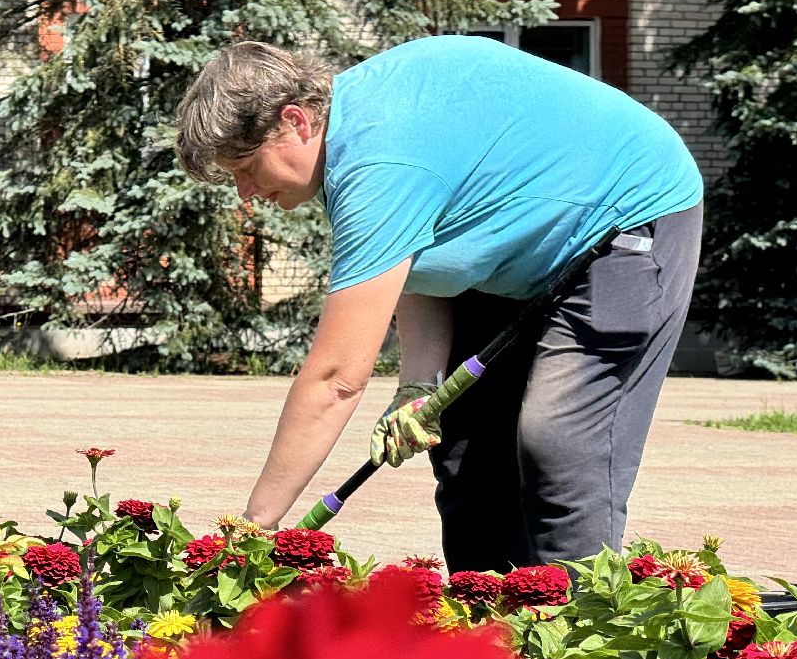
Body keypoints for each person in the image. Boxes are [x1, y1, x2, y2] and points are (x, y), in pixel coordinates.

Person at [175, 34, 703, 572]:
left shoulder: (377, 163)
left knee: (556, 442)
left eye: (244, 166)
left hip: (629, 221)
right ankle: (486, 632)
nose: (244, 192)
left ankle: (580, 635)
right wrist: (419, 384)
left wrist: (256, 524)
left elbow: (336, 379)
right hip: (527, 246)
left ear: (296, 122)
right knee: (462, 442)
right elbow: (419, 265)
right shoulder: (357, 139)